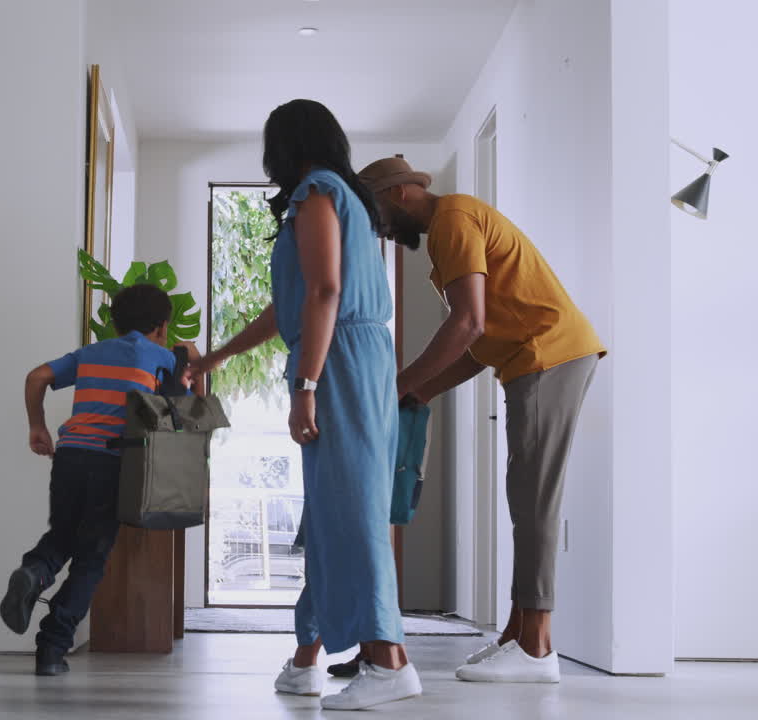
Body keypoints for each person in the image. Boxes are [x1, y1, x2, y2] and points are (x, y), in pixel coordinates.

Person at [192, 99, 419, 711]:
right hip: (360, 355)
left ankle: (389, 662)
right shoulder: (346, 198)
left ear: (285, 146)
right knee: (332, 510)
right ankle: (306, 658)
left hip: (339, 358)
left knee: (352, 510)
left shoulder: (316, 192)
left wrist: (307, 385)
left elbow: (323, 291)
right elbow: (290, 305)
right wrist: (216, 358)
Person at [357, 155, 605, 684]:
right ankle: (517, 634)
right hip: (535, 357)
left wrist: (397, 384)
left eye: (374, 211)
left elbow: (467, 323)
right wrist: (419, 390)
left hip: (548, 354)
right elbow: (480, 340)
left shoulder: (453, 220)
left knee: (534, 500)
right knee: (524, 496)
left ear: (398, 193)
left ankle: (537, 649)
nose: (378, 226)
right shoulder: (452, 225)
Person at [0, 284, 201, 676]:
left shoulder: (90, 354)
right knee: (91, 557)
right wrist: (191, 361)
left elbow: (36, 377)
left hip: (70, 455)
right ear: (162, 327)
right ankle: (51, 649)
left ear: (115, 323)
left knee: (62, 534)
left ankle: (34, 571)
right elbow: (189, 412)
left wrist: (37, 426)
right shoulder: (163, 359)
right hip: (114, 460)